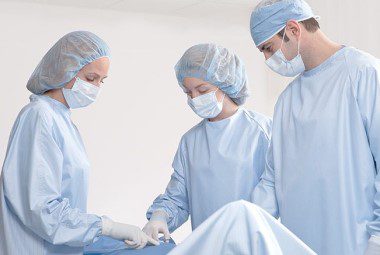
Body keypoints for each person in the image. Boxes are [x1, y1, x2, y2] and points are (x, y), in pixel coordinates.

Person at [0, 31, 158, 255]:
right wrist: (107, 227)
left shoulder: (62, 121)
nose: (95, 88)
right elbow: (41, 208)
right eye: (91, 78)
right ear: (64, 68)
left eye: (101, 81)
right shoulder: (39, 116)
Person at [249, 0, 380, 254]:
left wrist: (378, 238)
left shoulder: (363, 73)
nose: (267, 59)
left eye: (268, 48)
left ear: (293, 30)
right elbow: (272, 181)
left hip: (357, 245)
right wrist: (245, 226)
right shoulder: (286, 101)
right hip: (300, 245)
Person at [142, 43, 272, 242]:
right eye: (188, 92)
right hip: (206, 245)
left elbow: (275, 193)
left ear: (227, 83)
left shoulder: (261, 131)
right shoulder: (191, 141)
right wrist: (160, 217)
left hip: (253, 243)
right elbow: (177, 197)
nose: (194, 98)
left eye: (202, 90)